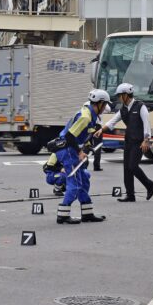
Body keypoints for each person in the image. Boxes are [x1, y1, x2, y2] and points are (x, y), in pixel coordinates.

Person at [55, 90, 110, 224]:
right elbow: (69, 136)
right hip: (67, 150)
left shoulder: (90, 114)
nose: (105, 109)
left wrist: (87, 146)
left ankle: (87, 213)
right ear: (100, 103)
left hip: (71, 149)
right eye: (105, 105)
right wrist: (80, 152)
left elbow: (82, 135)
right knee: (75, 183)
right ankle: (63, 214)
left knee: (84, 180)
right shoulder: (85, 117)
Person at [101, 83, 153, 202]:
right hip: (129, 142)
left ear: (126, 95)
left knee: (133, 166)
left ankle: (149, 184)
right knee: (127, 168)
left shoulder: (140, 106)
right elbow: (112, 122)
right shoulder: (123, 110)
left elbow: (147, 123)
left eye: (120, 95)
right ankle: (130, 195)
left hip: (139, 142)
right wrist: (100, 130)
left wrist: (146, 140)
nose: (119, 98)